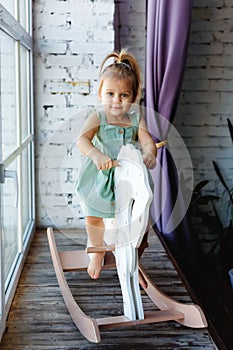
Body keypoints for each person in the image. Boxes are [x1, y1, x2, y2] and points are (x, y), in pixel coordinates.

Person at [76, 49, 157, 280]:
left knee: (140, 223)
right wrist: (95, 155)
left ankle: (134, 262)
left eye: (123, 95)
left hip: (127, 178)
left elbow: (148, 142)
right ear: (100, 92)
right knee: (94, 216)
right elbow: (82, 140)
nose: (116, 100)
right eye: (110, 93)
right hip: (102, 176)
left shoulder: (135, 119)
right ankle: (97, 250)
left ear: (132, 97)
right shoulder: (97, 117)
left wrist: (150, 154)